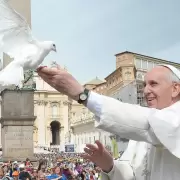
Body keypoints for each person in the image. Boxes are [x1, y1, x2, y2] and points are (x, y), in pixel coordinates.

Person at [37, 64, 180, 180]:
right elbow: (131, 175)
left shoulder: (171, 119)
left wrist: (83, 95)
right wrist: (110, 165)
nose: (146, 90)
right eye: (144, 85)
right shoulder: (142, 135)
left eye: (153, 84)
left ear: (175, 89)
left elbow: (148, 122)